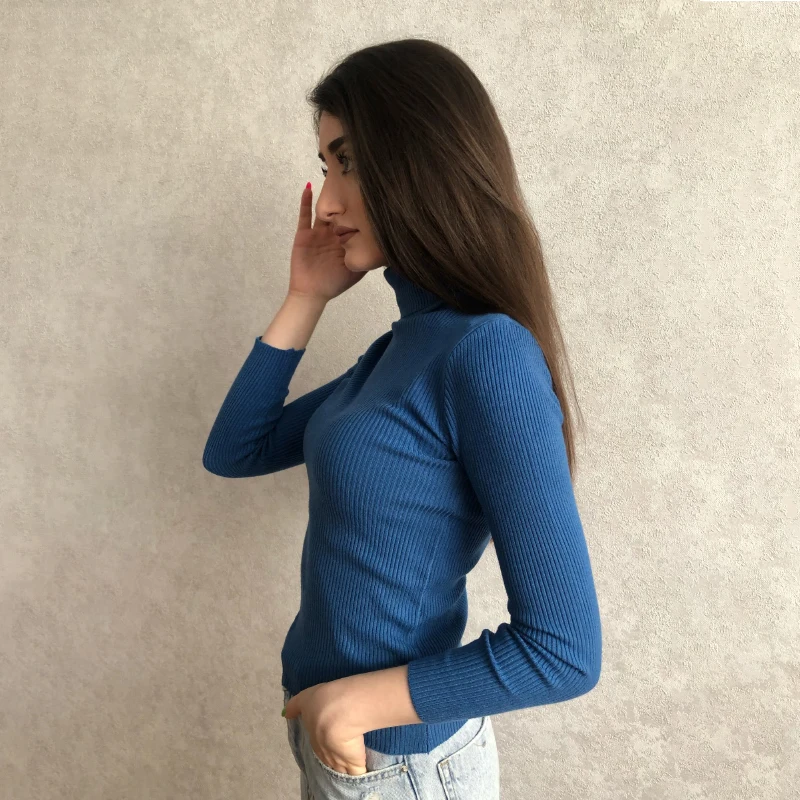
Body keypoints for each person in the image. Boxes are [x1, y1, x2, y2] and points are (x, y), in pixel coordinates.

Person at [203, 37, 602, 800]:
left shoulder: (485, 353)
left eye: (349, 162)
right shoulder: (403, 348)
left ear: (424, 158)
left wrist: (351, 706)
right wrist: (305, 297)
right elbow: (235, 449)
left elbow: (564, 650)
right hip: (342, 747)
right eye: (326, 167)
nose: (328, 201)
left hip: (403, 768)